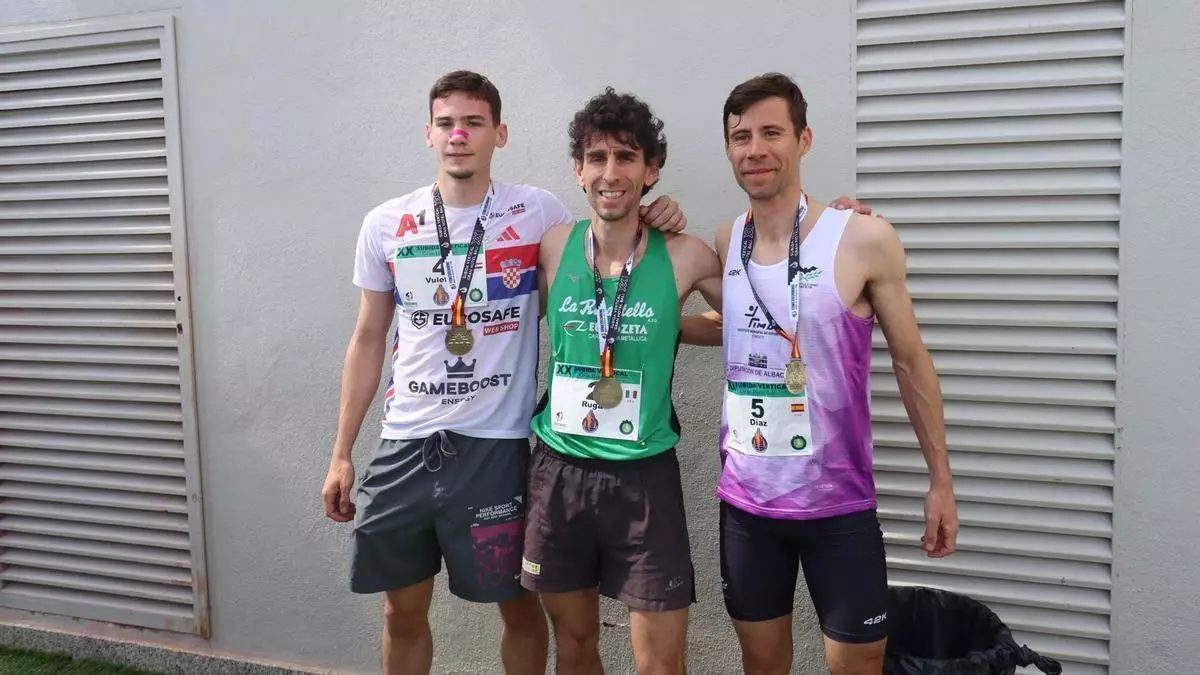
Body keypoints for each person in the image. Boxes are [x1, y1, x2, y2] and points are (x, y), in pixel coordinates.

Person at [320, 70, 687, 675]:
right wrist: (341, 452)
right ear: (428, 134)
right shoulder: (386, 222)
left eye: (474, 122)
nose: (459, 135)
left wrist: (654, 212)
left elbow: (606, 243)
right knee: (399, 612)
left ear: (500, 133)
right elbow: (367, 339)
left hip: (498, 447)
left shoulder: (537, 213)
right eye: (446, 123)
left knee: (519, 610)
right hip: (405, 443)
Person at [679, 73, 960, 675]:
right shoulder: (729, 239)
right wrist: (660, 328)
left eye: (772, 133)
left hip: (838, 506)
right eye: (741, 137)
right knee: (761, 664)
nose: (755, 149)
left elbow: (911, 361)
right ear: (728, 149)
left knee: (858, 665)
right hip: (748, 507)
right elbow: (741, 323)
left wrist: (940, 480)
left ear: (803, 139)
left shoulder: (861, 237)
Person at [519, 88, 723, 675]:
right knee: (575, 644)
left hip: (643, 478)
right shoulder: (553, 245)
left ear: (650, 170)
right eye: (598, 157)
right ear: (578, 170)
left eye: (627, 157)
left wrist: (833, 225)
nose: (611, 173)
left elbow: (755, 317)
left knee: (659, 663)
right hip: (558, 472)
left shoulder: (685, 254)